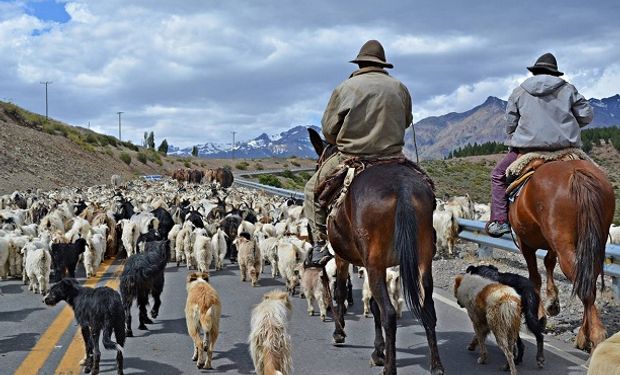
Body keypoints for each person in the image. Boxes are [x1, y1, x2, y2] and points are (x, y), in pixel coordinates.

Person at [303, 39, 413, 267]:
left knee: (311, 190)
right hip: (392, 157)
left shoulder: (345, 88)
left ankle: (320, 244)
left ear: (360, 63)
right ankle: (425, 235)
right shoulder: (400, 87)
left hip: (352, 156)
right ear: (382, 64)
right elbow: (406, 121)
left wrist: (346, 138)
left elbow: (328, 129)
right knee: (425, 186)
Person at [486, 52, 593, 237]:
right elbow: (586, 115)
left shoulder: (519, 91)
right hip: (566, 149)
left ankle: (500, 221)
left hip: (528, 151)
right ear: (555, 74)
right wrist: (569, 126)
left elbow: (510, 123)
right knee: (595, 175)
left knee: (497, 175)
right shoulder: (568, 89)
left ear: (535, 72)